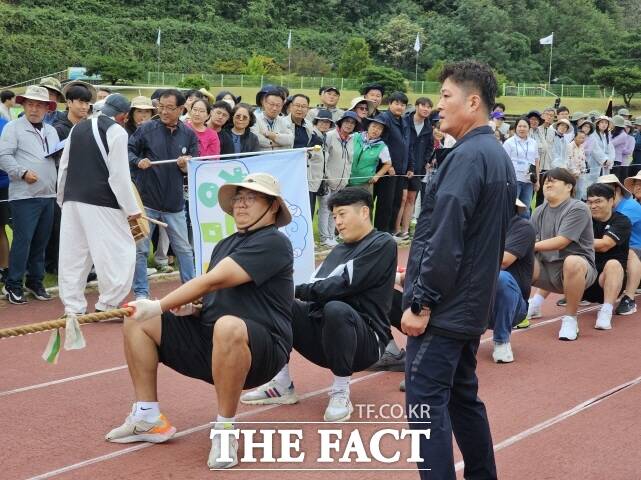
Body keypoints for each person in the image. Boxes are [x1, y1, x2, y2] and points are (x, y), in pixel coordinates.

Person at [106, 173, 294, 470]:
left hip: (263, 351)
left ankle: (225, 431)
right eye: (238, 198)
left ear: (272, 207)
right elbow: (214, 294)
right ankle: (146, 416)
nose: (241, 204)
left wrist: (159, 304)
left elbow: (214, 280)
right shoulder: (225, 244)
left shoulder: (274, 242)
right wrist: (193, 309)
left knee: (228, 325)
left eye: (251, 198)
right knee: (137, 320)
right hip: (212, 342)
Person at [402, 60, 513, 480]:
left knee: (425, 407)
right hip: (468, 306)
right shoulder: (494, 154)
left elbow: (445, 238)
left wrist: (421, 301)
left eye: (446, 96)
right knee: (463, 398)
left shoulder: (467, 157)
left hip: (445, 311)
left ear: (473, 101)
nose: (437, 106)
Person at [241, 187, 396, 421]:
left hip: (367, 343)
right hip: (328, 339)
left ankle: (341, 391)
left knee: (336, 308)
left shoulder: (382, 243)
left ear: (364, 212)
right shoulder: (339, 249)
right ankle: (282, 383)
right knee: (282, 304)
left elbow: (342, 285)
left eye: (342, 214)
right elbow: (316, 290)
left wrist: (291, 289)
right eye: (334, 217)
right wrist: (282, 296)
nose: (338, 222)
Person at [57, 94, 141, 315]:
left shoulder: (77, 128)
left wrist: (62, 199)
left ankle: (73, 307)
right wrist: (132, 210)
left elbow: (64, 167)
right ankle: (108, 304)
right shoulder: (117, 132)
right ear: (123, 115)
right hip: (103, 202)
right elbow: (119, 176)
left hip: (71, 200)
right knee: (120, 251)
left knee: (73, 256)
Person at [128, 89, 198, 300]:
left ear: (181, 109)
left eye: (170, 108)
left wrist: (186, 165)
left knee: (184, 250)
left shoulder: (189, 134)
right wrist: (138, 161)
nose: (164, 111)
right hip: (146, 201)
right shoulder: (146, 129)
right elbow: (128, 151)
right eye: (161, 107)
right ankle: (141, 293)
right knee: (140, 249)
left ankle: (192, 292)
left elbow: (196, 162)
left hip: (174, 203)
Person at [0, 86, 60, 304]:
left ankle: (35, 281)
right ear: (23, 105)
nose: (34, 109)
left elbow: (53, 158)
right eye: (30, 104)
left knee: (41, 242)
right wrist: (22, 173)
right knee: (23, 242)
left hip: (48, 194)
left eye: (39, 105)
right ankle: (13, 284)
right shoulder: (13, 128)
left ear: (47, 108)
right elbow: (3, 156)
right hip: (24, 195)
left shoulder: (51, 130)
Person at [527, 168, 597, 340]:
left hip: (577, 271)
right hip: (546, 269)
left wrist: (529, 246)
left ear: (568, 186)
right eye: (546, 181)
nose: (548, 183)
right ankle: (520, 309)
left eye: (554, 180)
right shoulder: (538, 211)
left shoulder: (578, 208)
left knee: (572, 262)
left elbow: (561, 241)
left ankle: (570, 319)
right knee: (517, 260)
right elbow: (527, 239)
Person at [46, 81, 97, 275]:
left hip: (87, 186)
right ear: (68, 102)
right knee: (63, 230)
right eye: (80, 102)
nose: (84, 107)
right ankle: (58, 267)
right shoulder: (59, 128)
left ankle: (83, 268)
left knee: (84, 230)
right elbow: (53, 157)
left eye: (87, 103)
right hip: (64, 187)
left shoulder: (90, 127)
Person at [490, 199, 535, 363]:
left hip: (514, 305)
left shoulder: (522, 227)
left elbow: (503, 262)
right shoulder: (480, 226)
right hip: (477, 297)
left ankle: (501, 340)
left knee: (500, 277)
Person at [583, 183, 631, 330]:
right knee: (561, 256)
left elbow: (605, 244)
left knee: (613, 264)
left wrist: (572, 240)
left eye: (598, 201)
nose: (593, 206)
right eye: (590, 202)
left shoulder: (622, 221)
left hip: (608, 282)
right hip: (585, 279)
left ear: (611, 201)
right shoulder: (583, 219)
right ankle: (535, 303)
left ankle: (606, 311)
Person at [597, 174, 641, 315]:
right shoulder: (609, 207)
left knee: (628, 253)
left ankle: (629, 298)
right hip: (620, 246)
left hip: (635, 248)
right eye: (635, 183)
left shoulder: (630, 206)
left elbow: (612, 236)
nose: (637, 186)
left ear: (616, 190)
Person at [394, 97, 433, 238]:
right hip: (403, 167)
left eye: (429, 107)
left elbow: (430, 147)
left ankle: (405, 230)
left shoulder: (428, 126)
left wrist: (426, 161)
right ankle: (395, 229)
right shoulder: (405, 122)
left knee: (411, 198)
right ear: (416, 106)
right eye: (423, 105)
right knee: (402, 198)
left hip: (418, 169)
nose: (426, 109)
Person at [318, 111, 357, 247]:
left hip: (342, 182)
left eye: (352, 123)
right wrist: (326, 178)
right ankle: (324, 238)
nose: (349, 125)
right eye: (346, 122)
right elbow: (324, 159)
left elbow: (349, 161)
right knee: (325, 208)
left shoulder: (352, 139)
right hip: (328, 181)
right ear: (341, 122)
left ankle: (331, 235)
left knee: (335, 210)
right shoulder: (329, 136)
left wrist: (346, 179)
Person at [376, 91, 412, 234]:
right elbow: (380, 143)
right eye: (397, 103)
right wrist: (388, 165)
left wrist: (410, 166)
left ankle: (391, 231)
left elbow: (408, 145)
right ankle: (381, 232)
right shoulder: (383, 119)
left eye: (403, 104)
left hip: (402, 170)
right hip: (388, 169)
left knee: (397, 201)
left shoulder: (404, 122)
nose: (400, 107)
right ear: (390, 104)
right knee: (385, 202)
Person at [502, 117, 539, 215]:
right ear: (516, 128)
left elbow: (536, 161)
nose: (522, 129)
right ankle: (509, 229)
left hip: (528, 180)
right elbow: (504, 162)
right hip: (514, 180)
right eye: (520, 126)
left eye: (525, 126)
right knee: (511, 208)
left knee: (525, 210)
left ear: (529, 128)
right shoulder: (509, 142)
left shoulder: (533, 143)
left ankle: (523, 230)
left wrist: (537, 181)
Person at [348, 115, 392, 194]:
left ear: (382, 132)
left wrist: (377, 176)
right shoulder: (355, 137)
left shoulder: (382, 146)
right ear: (368, 127)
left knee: (363, 205)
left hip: (365, 184)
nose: (375, 130)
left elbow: (388, 164)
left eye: (379, 128)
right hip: (346, 181)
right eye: (374, 126)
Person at [306, 109, 333, 218]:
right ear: (316, 122)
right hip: (309, 181)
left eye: (327, 122)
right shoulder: (312, 137)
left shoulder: (323, 137)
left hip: (318, 181)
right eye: (321, 121)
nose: (324, 124)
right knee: (309, 211)